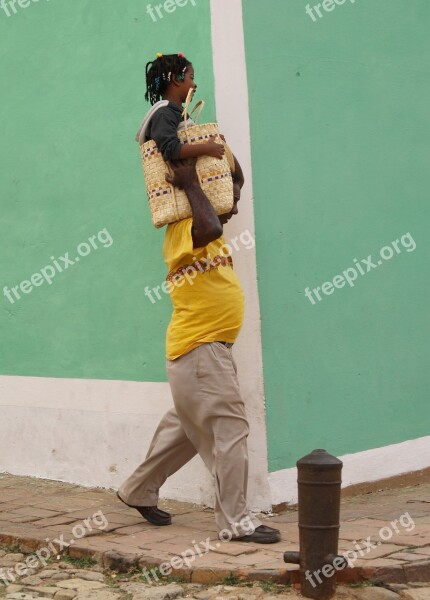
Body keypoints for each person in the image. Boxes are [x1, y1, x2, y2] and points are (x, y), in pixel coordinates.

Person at [117, 156, 281, 544]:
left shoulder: (213, 229)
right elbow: (207, 222)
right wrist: (191, 181)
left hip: (204, 353)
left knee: (186, 430)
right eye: (227, 197)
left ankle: (138, 490)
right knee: (231, 430)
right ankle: (235, 521)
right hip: (199, 350)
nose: (234, 204)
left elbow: (231, 184)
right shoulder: (184, 228)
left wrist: (231, 177)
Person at [135, 52, 224, 161]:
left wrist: (211, 141)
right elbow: (170, 149)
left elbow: (187, 141)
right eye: (191, 78)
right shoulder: (164, 113)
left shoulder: (177, 112)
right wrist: (206, 148)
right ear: (176, 79)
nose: (194, 84)